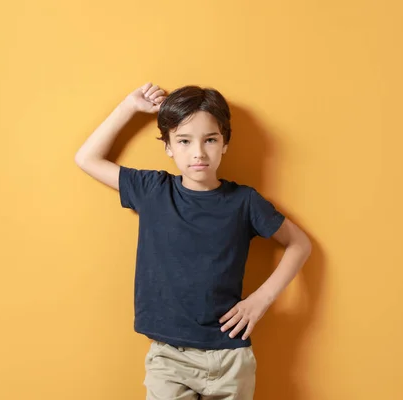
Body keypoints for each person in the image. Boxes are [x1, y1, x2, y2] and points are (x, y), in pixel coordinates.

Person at [75, 82, 312, 399]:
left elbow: (300, 244)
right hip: (168, 358)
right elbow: (87, 158)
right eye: (184, 141)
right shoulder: (153, 190)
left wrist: (262, 299)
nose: (198, 152)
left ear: (225, 142)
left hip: (229, 358)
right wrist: (129, 108)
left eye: (210, 140)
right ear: (168, 147)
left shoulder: (244, 202)